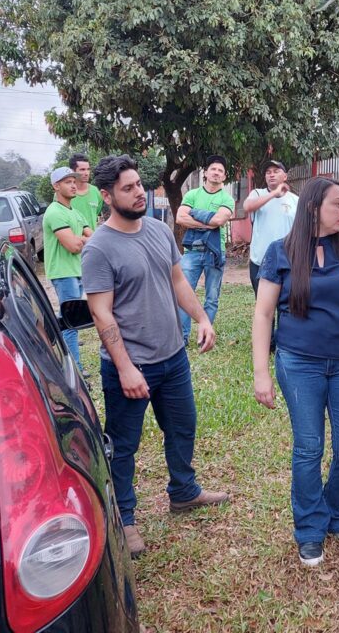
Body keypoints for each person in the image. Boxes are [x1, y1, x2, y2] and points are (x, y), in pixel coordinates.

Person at [82, 155, 230, 558]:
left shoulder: (161, 230)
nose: (137, 193)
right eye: (127, 189)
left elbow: (177, 279)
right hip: (130, 367)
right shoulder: (98, 248)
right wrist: (127, 368)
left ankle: (183, 492)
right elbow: (101, 312)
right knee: (125, 445)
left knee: (183, 428)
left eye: (137, 186)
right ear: (107, 195)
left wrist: (201, 317)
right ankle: (125, 519)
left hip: (173, 357)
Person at [252, 177, 339, 568]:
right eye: (338, 204)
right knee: (309, 447)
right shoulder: (281, 252)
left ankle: (338, 513)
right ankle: (309, 528)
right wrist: (261, 372)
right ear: (313, 209)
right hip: (298, 362)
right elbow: (263, 313)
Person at [176, 155, 235, 344]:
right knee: (184, 295)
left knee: (211, 298)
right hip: (192, 251)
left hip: (215, 252)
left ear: (224, 177)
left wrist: (194, 214)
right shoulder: (192, 194)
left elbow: (219, 220)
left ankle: (205, 337)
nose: (216, 173)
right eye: (213, 169)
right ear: (206, 173)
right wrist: (207, 222)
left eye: (220, 171)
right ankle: (182, 338)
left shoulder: (227, 198)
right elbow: (180, 218)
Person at [43, 166, 93, 378]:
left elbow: (93, 238)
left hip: (76, 270)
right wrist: (81, 239)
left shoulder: (74, 212)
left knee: (67, 318)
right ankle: (76, 371)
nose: (73, 185)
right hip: (63, 273)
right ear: (56, 186)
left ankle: (43, 332)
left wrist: (79, 239)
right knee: (72, 323)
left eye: (74, 181)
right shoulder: (54, 212)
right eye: (67, 182)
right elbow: (73, 246)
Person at [244, 159, 298, 295]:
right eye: (268, 172)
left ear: (285, 176)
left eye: (276, 171)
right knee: (264, 309)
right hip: (260, 262)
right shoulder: (257, 194)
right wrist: (274, 193)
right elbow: (247, 206)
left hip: (287, 262)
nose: (271, 175)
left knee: (286, 306)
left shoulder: (295, 200)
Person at [69, 152, 104, 231]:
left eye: (88, 169)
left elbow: (96, 215)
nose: (86, 173)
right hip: (70, 241)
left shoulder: (97, 192)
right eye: (82, 169)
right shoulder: (63, 194)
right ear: (72, 171)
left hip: (91, 241)